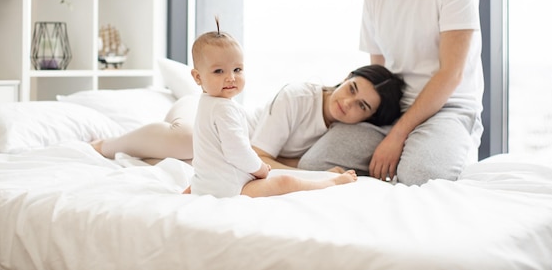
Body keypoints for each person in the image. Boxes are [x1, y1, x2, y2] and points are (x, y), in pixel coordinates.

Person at [299, 0, 484, 186]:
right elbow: (379, 79)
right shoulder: (374, 0)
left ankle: (418, 155)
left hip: (448, 110)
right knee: (313, 166)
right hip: (392, 112)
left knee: (419, 176)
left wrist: (398, 136)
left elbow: (452, 73)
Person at [92, 54, 405, 175]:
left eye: (362, 106)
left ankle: (138, 152)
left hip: (228, 148)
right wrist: (318, 176)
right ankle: (106, 145)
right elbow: (259, 156)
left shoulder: (339, 132)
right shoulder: (300, 96)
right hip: (209, 114)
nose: (348, 103)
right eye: (352, 89)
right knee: (188, 141)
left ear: (368, 119)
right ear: (346, 76)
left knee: (185, 163)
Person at [186, 21, 363, 197]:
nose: (231, 77)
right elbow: (237, 151)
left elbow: (204, 155)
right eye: (219, 71)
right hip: (230, 188)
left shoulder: (206, 104)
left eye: (237, 69)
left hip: (207, 184)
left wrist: (196, 185)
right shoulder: (224, 109)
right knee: (285, 182)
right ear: (197, 77)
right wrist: (260, 168)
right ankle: (331, 182)